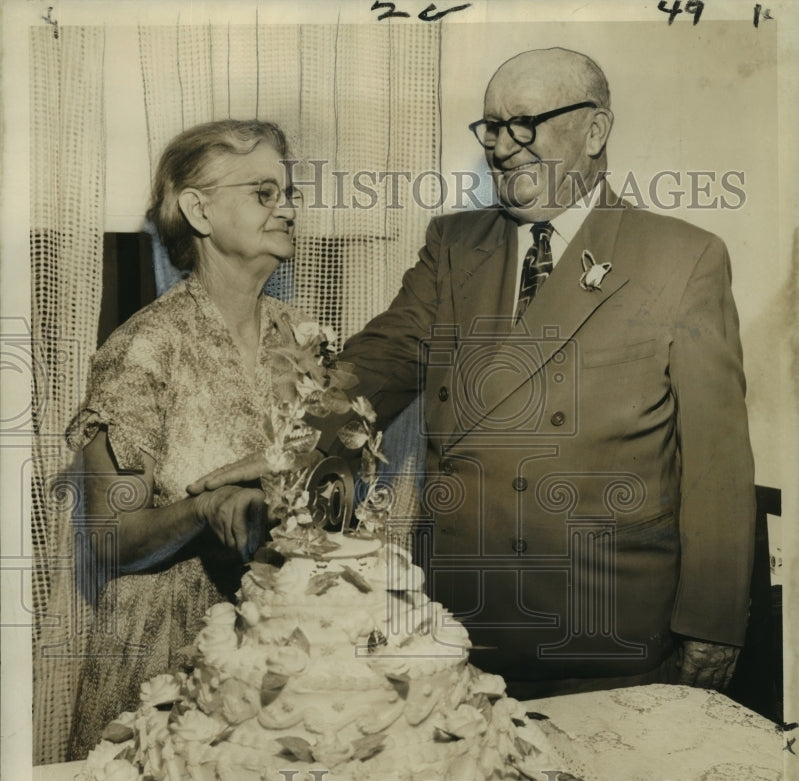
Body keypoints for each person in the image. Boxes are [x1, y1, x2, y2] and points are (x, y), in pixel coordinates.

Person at [190, 49, 756, 700]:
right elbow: (384, 357)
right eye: (490, 127)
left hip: (605, 630)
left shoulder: (680, 258)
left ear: (594, 131)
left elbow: (716, 461)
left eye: (523, 124)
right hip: (460, 628)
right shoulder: (456, 244)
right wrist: (289, 445)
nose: (502, 146)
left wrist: (712, 626)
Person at [65, 119, 319, 758]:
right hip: (162, 666)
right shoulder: (144, 350)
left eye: (288, 193)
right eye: (264, 193)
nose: (286, 208)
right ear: (198, 210)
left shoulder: (305, 341)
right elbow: (107, 538)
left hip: (282, 655)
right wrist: (204, 509)